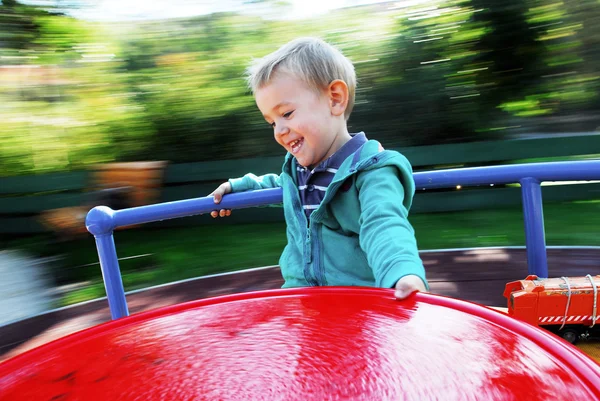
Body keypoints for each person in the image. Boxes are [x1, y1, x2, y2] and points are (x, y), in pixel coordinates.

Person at [209, 37, 428, 299]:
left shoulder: (372, 172)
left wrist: (400, 272)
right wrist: (241, 188)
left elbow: (384, 224)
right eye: (271, 122)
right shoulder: (297, 172)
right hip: (301, 300)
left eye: (287, 114)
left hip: (356, 303)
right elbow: (282, 186)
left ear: (335, 99)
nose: (279, 131)